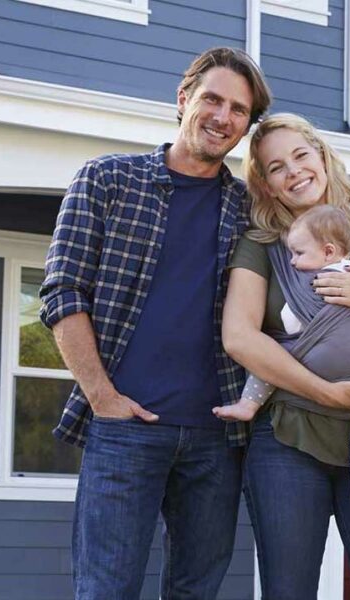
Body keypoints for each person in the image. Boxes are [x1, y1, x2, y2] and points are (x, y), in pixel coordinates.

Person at [39, 47, 272, 600]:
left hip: (219, 435)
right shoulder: (106, 179)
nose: (222, 117)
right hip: (124, 426)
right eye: (212, 99)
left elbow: (321, 235)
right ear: (183, 98)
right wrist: (101, 395)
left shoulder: (250, 211)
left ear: (246, 126)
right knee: (105, 590)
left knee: (196, 591)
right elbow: (61, 291)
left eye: (238, 109)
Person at [221, 113, 350, 599]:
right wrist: (325, 392)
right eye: (275, 168)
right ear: (267, 186)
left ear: (322, 158)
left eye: (300, 156)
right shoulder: (264, 248)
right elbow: (240, 338)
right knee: (287, 591)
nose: (293, 172)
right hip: (288, 441)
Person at [214, 204, 350, 453]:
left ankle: (247, 404)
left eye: (298, 253)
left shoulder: (313, 280)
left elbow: (291, 319)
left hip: (322, 374)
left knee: (271, 361)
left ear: (328, 252)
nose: (293, 261)